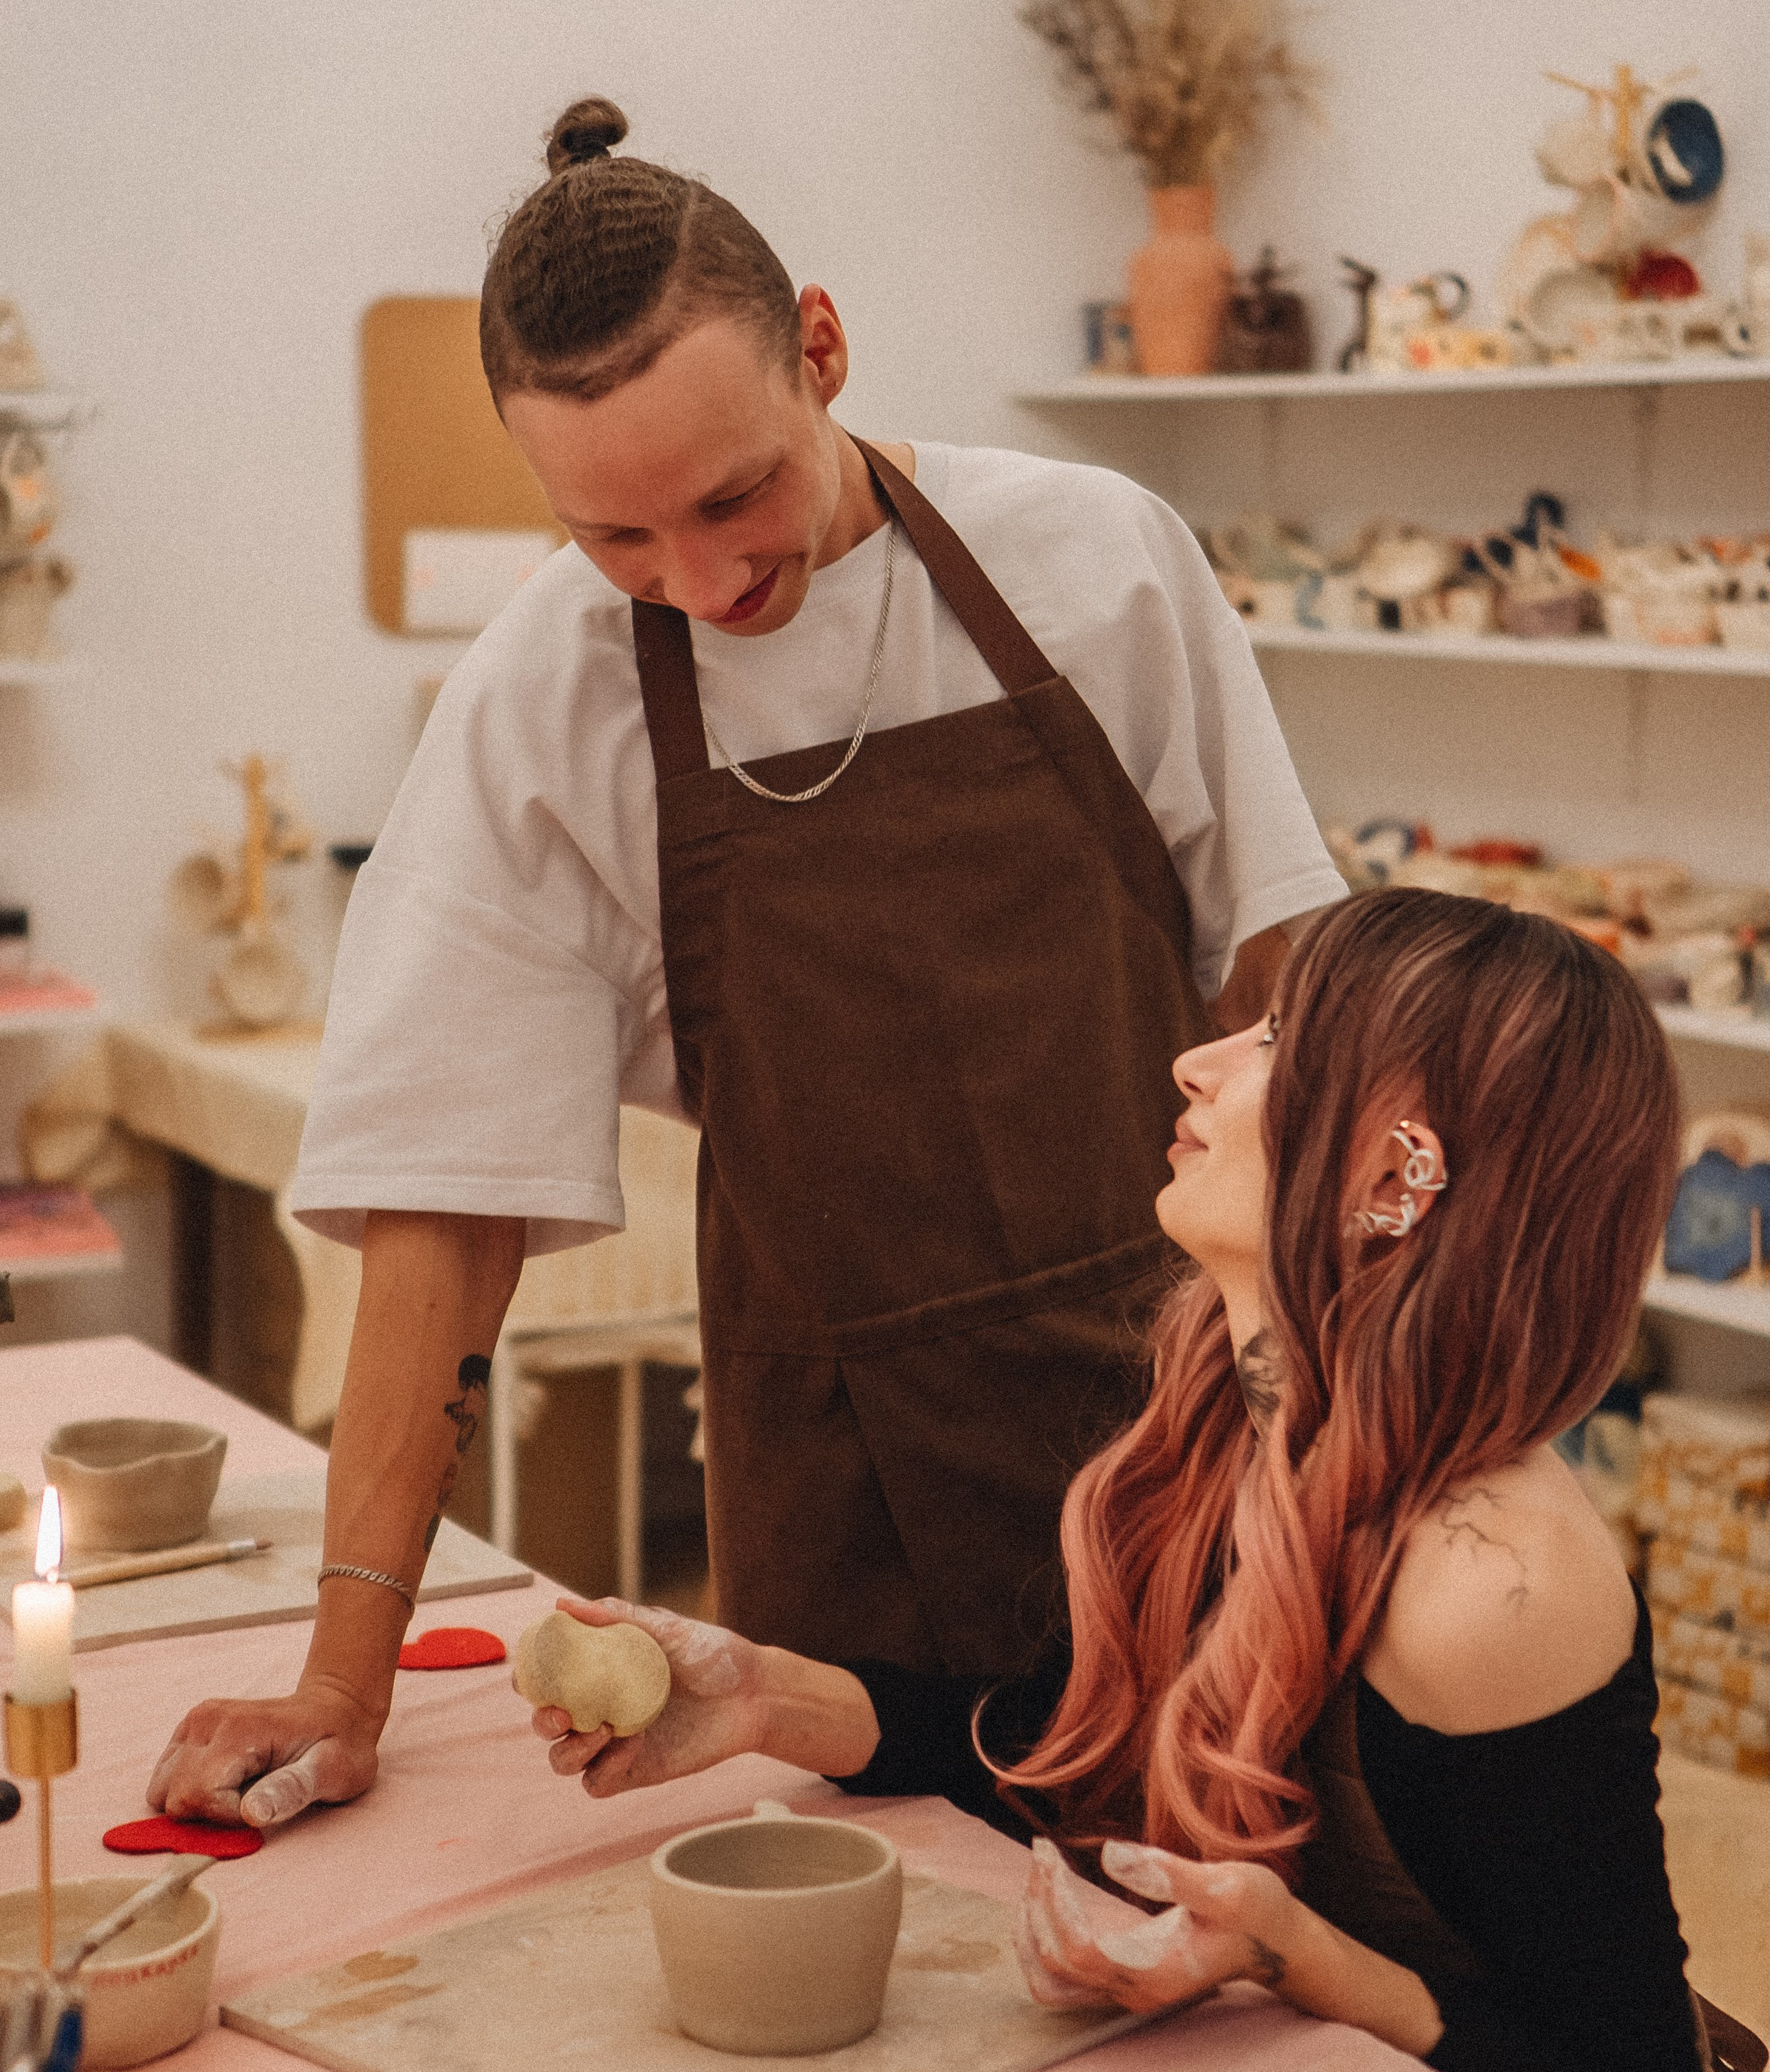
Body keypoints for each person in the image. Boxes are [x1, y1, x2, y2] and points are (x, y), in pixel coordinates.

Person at [147, 95, 1343, 1833]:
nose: (700, 581)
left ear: (822, 350)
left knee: (1248, 1896)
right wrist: (342, 1679)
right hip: (847, 1482)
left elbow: (1283, 990)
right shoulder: (546, 703)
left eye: (733, 495)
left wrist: (1350, 1407)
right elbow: (444, 1208)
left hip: (1192, 1412)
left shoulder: (1092, 560)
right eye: (615, 540)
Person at [519, 888, 1766, 2072]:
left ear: (1396, 1178)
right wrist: (768, 1698)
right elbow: (1058, 1752)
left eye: (1279, 1041)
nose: (1196, 1062)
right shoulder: (1234, 1408)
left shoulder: (1488, 1585)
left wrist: (1291, 1953)